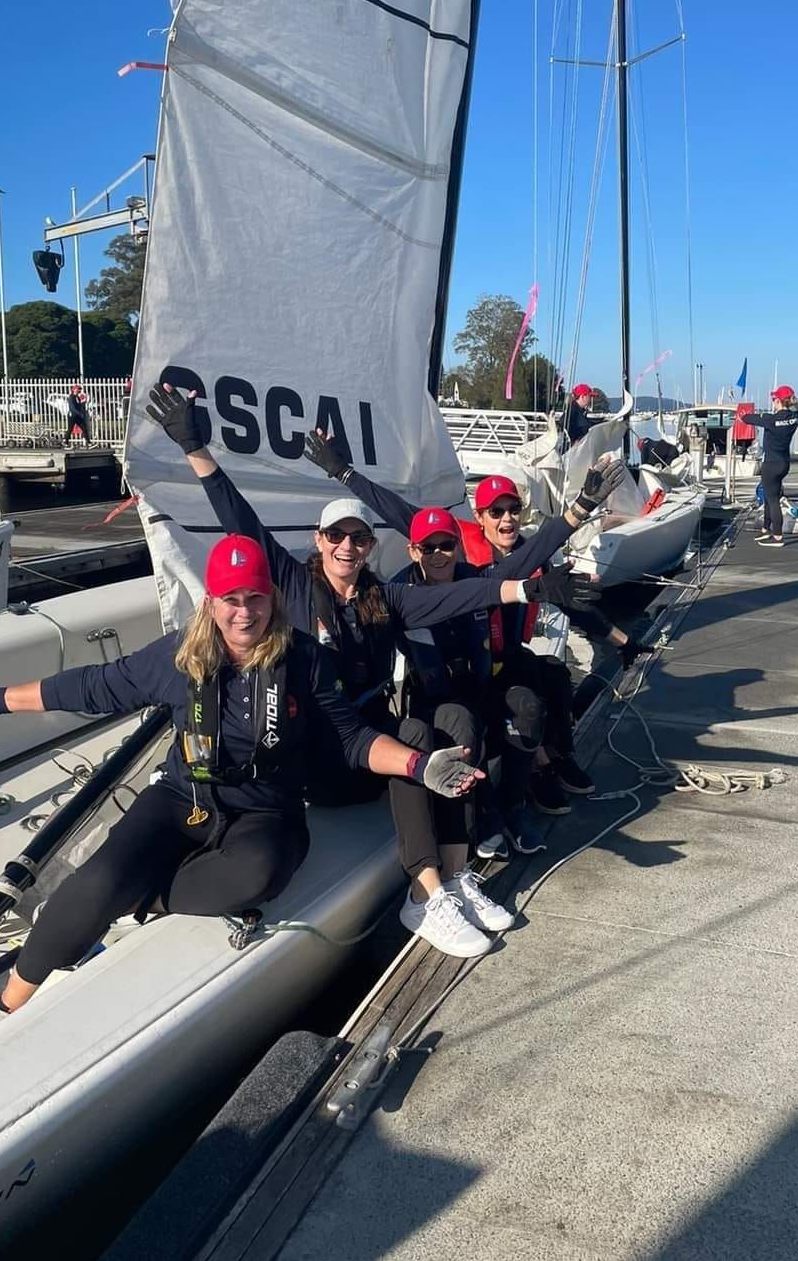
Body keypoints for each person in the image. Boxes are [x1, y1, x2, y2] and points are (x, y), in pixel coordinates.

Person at [0, 533, 487, 1029]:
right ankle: (3, 1010)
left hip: (265, 811)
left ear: (271, 600)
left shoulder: (304, 660)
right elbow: (94, 687)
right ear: (211, 603)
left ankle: (143, 897)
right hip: (182, 798)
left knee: (259, 877)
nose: (244, 613)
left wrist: (422, 765)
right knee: (91, 885)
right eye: (231, 599)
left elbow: (352, 739)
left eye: (255, 598)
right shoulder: (179, 659)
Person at [147, 383, 617, 947]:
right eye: (337, 536)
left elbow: (469, 594)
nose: (348, 546)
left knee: (442, 729)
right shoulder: (294, 587)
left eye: (359, 537)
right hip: (321, 755)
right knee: (421, 736)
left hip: (369, 739)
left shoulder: (384, 598)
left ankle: (445, 881)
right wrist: (197, 450)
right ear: (319, 542)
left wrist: (535, 586)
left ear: (371, 546)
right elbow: (241, 523)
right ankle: (429, 891)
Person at [300, 429, 642, 855]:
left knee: (531, 701)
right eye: (429, 547)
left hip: (483, 684)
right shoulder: (399, 598)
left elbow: (530, 556)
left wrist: (581, 509)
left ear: (459, 547)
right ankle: (481, 818)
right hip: (437, 699)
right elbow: (390, 513)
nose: (440, 554)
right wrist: (343, 473)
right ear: (413, 551)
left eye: (447, 545)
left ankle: (517, 801)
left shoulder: (474, 581)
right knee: (462, 724)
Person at [752, 385, 798, 547]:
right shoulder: (795, 418)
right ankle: (766, 530)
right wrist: (795, 404)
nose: (772, 401)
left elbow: (747, 418)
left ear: (778, 401)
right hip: (783, 464)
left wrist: (741, 414)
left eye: (773, 399)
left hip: (770, 464)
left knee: (772, 500)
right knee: (772, 497)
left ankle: (777, 536)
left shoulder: (771, 420)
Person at [563, 383, 605, 447]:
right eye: (590, 396)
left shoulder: (579, 410)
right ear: (583, 397)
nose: (591, 399)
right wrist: (573, 440)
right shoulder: (573, 410)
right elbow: (563, 422)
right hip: (575, 450)